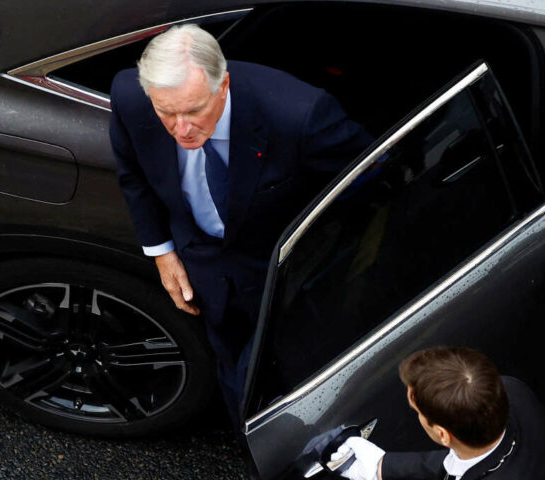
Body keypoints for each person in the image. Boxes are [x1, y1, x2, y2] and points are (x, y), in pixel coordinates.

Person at [108, 23, 372, 429]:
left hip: (288, 276)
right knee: (236, 377)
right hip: (206, 269)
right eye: (166, 112)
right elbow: (133, 175)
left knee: (301, 379)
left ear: (223, 84)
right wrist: (162, 252)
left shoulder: (300, 116)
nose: (182, 129)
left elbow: (371, 182)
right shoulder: (131, 97)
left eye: (195, 111)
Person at [332, 347, 545, 480]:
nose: (417, 416)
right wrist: (380, 467)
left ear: (443, 434)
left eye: (418, 413)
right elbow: (457, 462)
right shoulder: (512, 389)